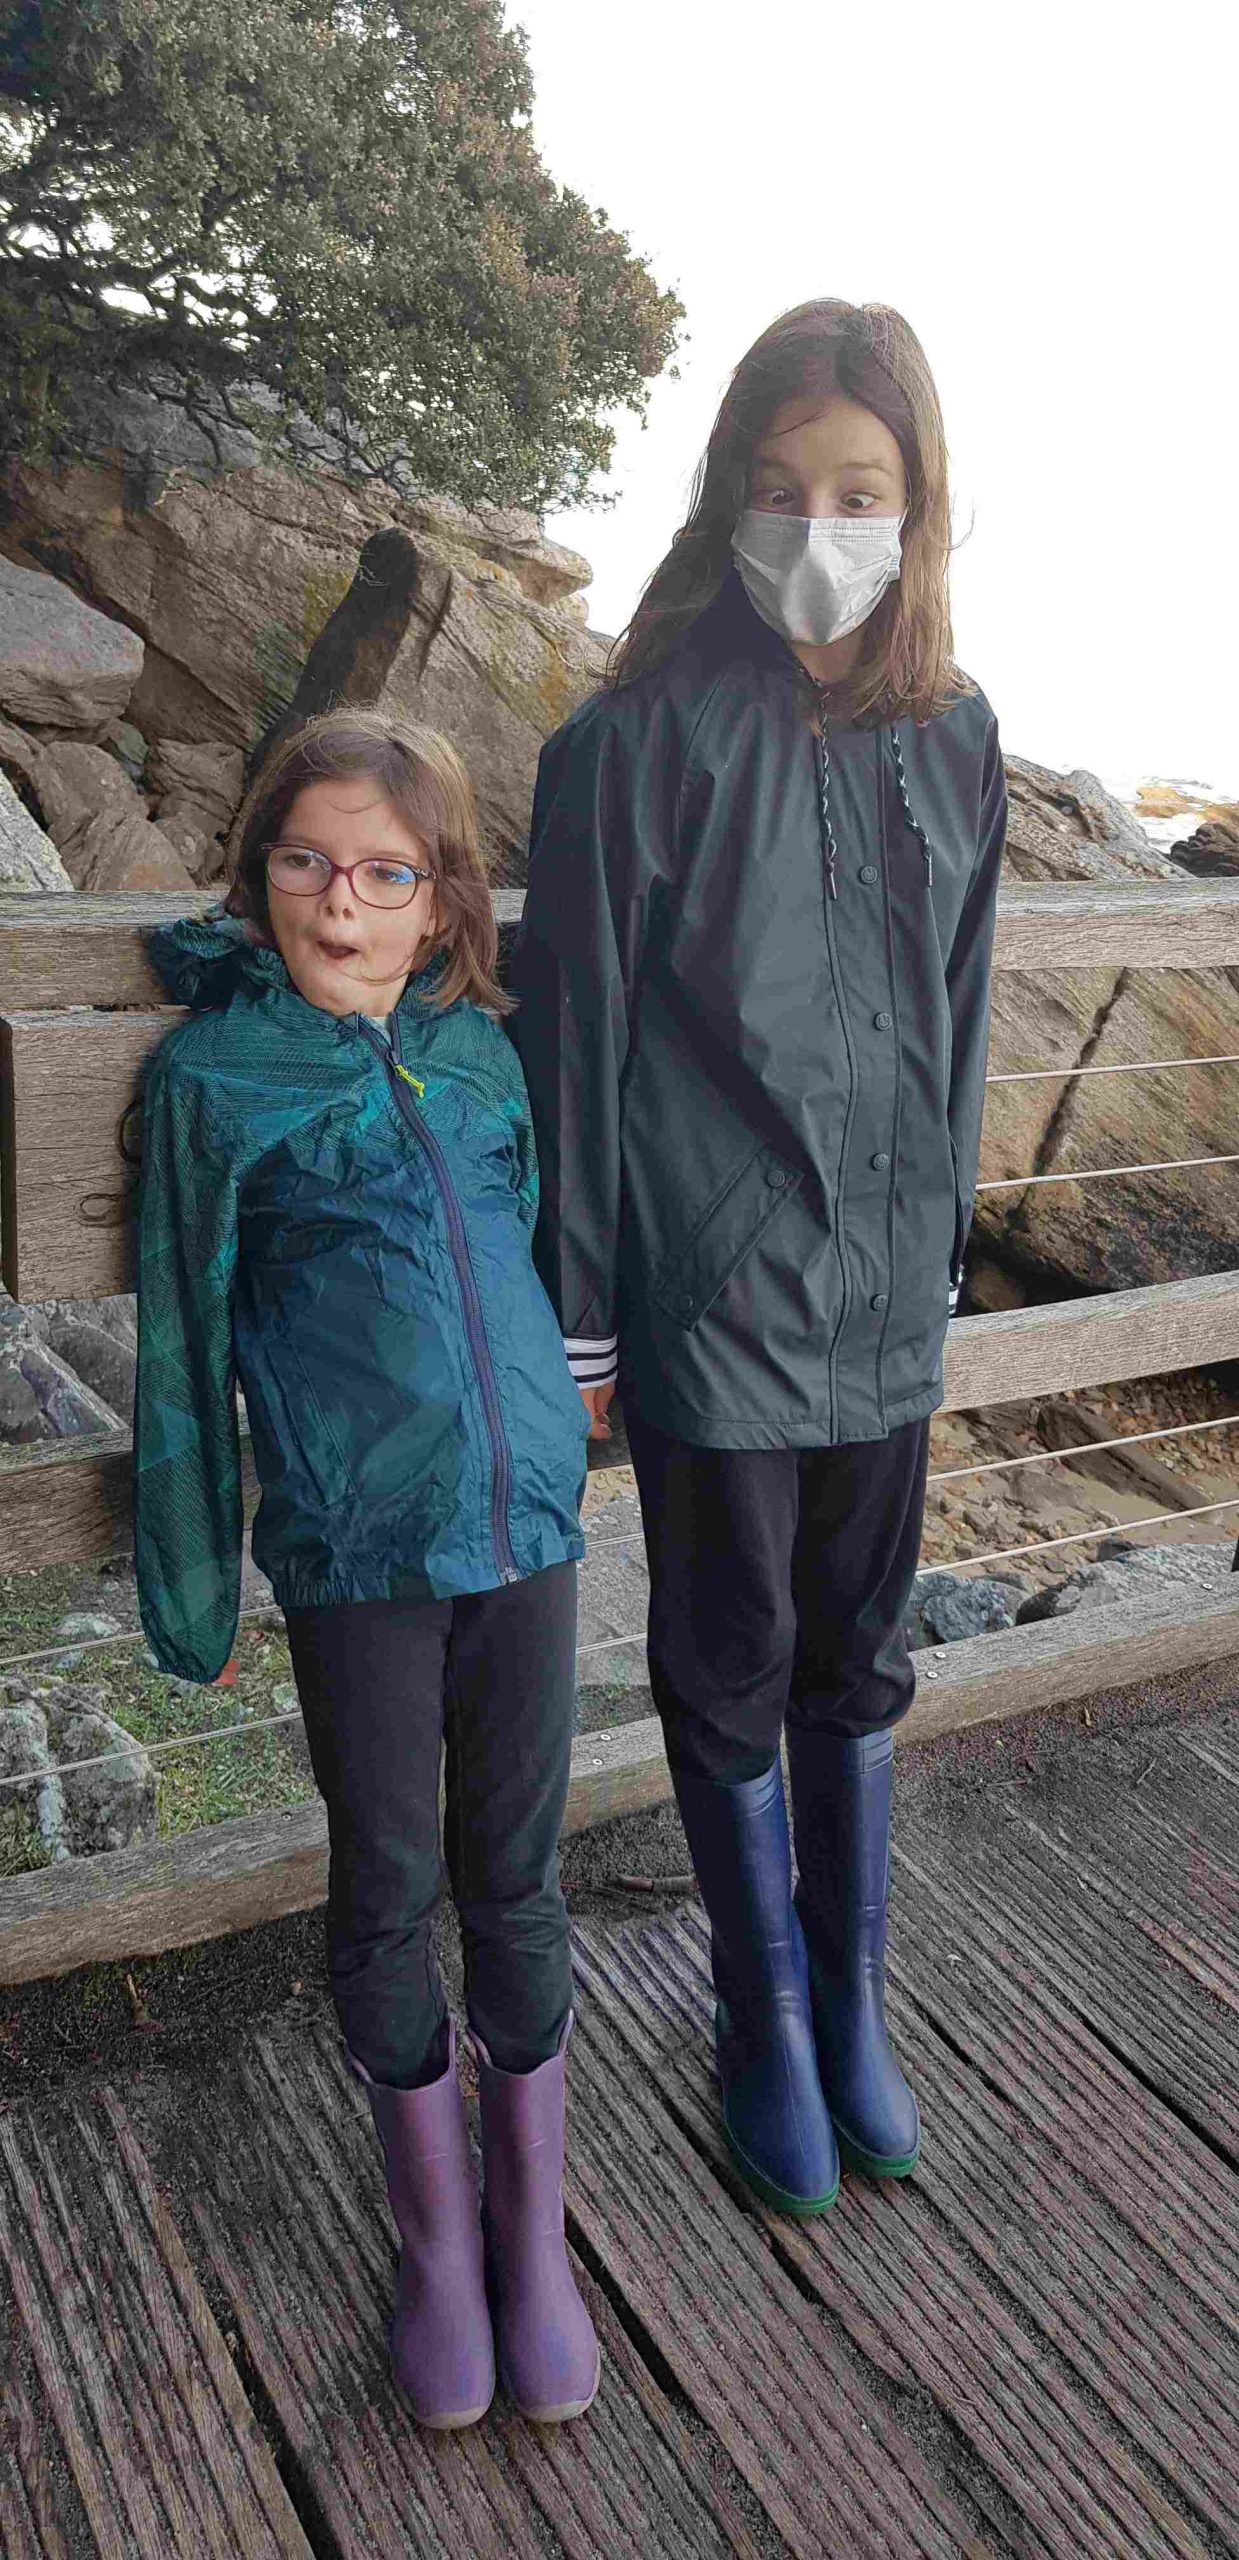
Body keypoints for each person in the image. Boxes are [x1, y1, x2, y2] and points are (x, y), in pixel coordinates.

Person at [510, 299, 1007, 2216]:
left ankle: (852, 1999)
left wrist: (942, 1240)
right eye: (786, 486)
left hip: (887, 1297)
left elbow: (960, 1016)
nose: (823, 525)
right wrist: (580, 1323)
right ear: (729, 491)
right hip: (712, 1301)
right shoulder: (631, 741)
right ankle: (764, 2014)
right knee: (729, 1658)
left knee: (861, 1654)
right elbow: (578, 1046)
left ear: (919, 506)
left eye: (863, 492)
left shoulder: (957, 734)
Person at [133, 709, 599, 2429]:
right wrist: (192, 1582)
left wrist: (554, 1423)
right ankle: (436, 2247)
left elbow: (523, 1246)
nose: (344, 900)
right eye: (308, 862)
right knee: (391, 1883)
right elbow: (181, 1346)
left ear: (444, 898)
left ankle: (529, 2235)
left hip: (527, 1524)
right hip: (360, 1550)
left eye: (387, 872)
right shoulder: (215, 1080)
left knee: (521, 1878)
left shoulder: (479, 1058)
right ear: (262, 877)